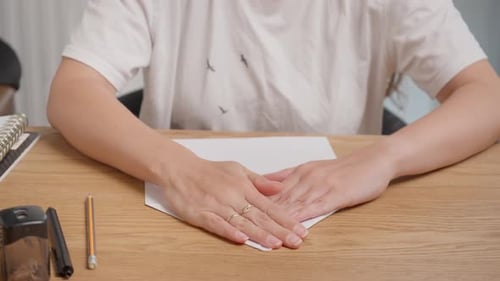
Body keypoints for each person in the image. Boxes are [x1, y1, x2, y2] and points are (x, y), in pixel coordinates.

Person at [47, 0, 500, 250]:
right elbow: (72, 91)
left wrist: (386, 157)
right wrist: (181, 171)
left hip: (334, 235)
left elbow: (486, 95)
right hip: (175, 226)